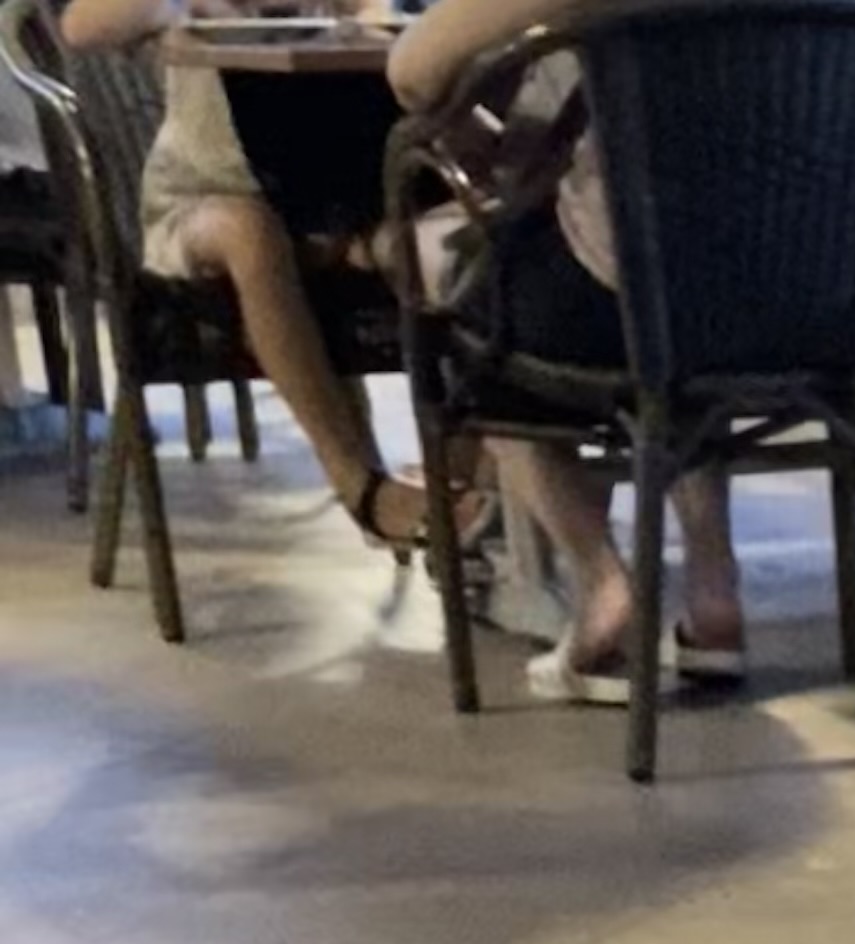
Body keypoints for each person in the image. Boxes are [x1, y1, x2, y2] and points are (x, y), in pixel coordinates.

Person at [390, 0, 744, 700]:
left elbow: (414, 72)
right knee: (690, 309)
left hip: (622, 292)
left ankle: (600, 579)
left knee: (450, 278)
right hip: (806, 295)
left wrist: (480, 126)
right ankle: (714, 590)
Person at [62, 0, 465, 553]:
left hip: (330, 203)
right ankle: (359, 484)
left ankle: (461, 479)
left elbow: (379, 15)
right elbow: (82, 25)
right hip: (201, 202)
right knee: (251, 232)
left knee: (457, 233)